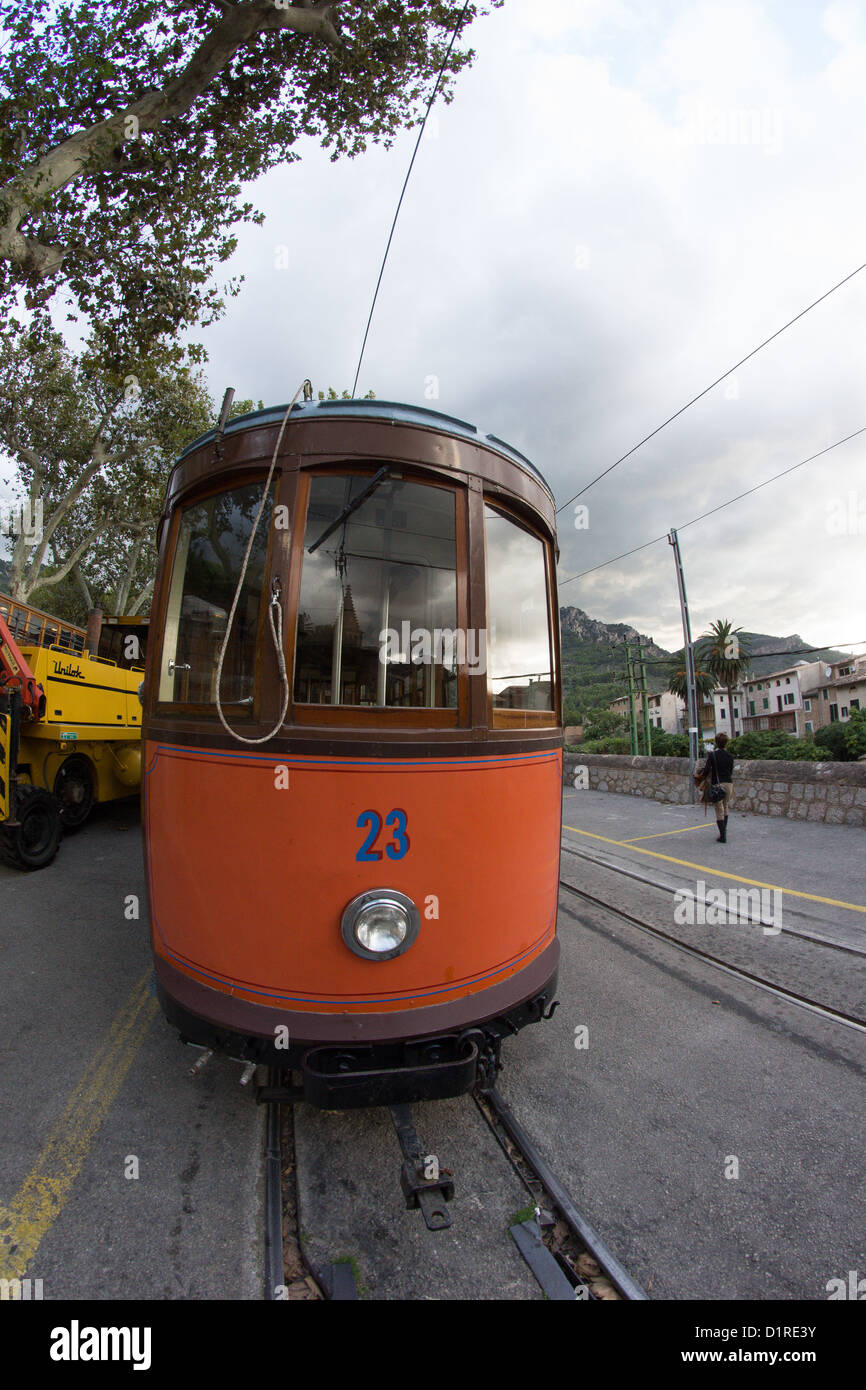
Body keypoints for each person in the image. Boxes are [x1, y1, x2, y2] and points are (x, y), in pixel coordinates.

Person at [695, 731, 734, 842]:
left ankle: (722, 836)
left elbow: (707, 770)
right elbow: (730, 771)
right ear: (726, 743)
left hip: (718, 784)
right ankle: (724, 831)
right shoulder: (730, 756)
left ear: (716, 743)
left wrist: (701, 777)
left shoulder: (713, 755)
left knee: (719, 809)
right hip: (729, 783)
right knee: (726, 806)